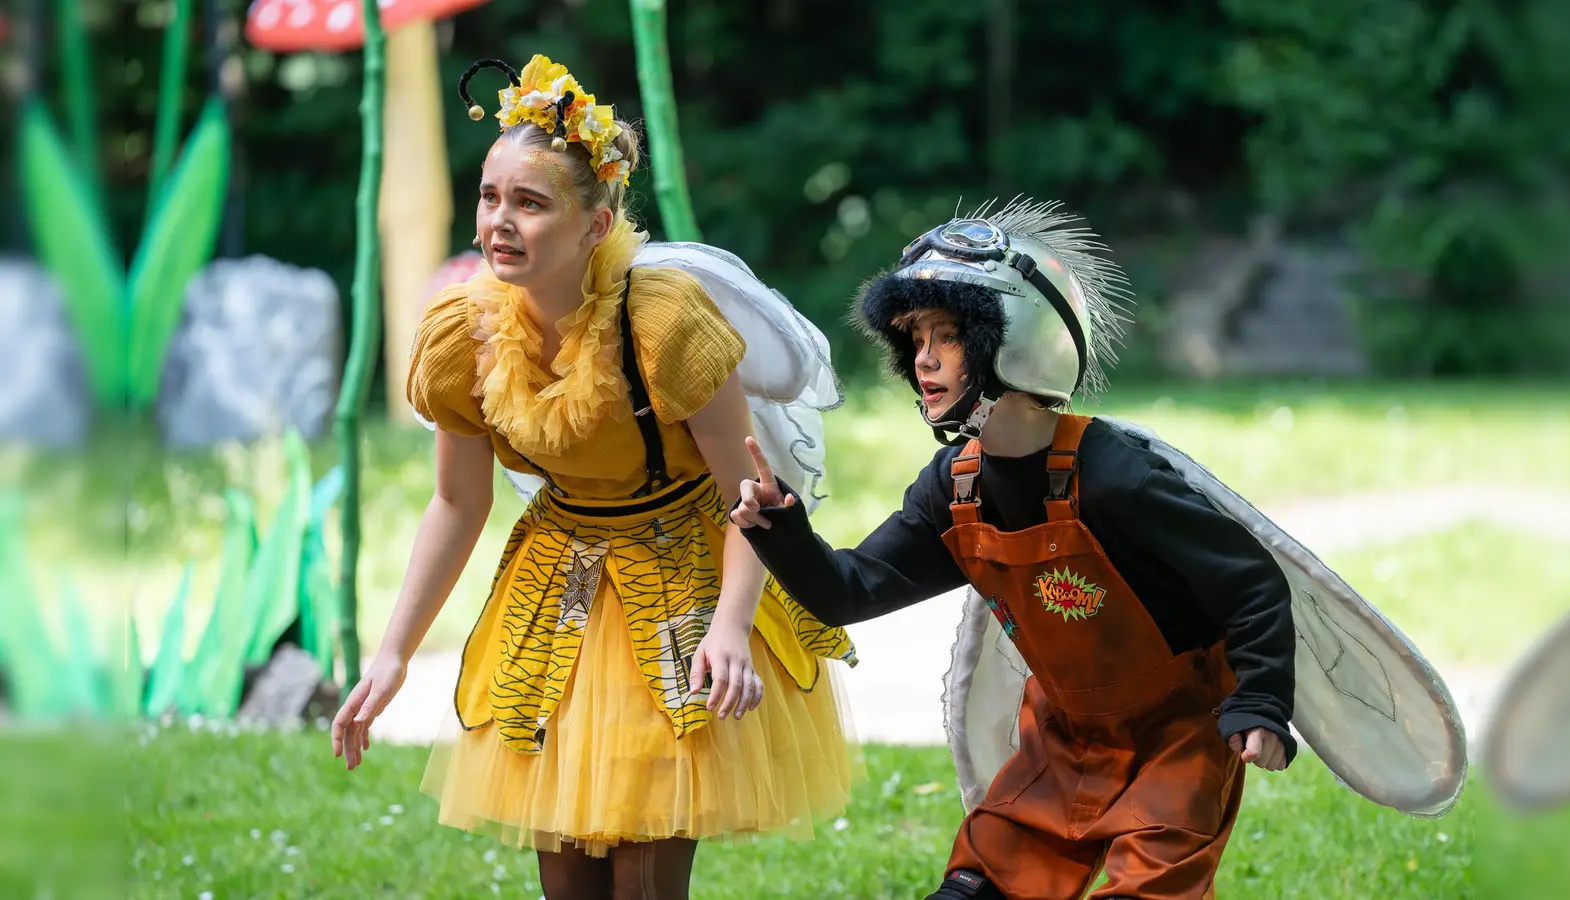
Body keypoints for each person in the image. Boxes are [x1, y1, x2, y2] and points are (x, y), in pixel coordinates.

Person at [330, 53, 858, 900]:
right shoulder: (461, 337)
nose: (499, 222)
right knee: (569, 874)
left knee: (645, 869)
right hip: (561, 579)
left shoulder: (663, 324)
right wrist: (391, 654)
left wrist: (730, 627)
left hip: (685, 575)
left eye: (530, 203)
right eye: (490, 197)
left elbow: (750, 499)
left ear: (595, 225)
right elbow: (457, 502)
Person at [732, 199, 1296, 900]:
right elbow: (850, 589)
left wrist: (1263, 704)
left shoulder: (1118, 477)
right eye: (914, 340)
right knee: (977, 885)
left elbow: (1250, 583)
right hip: (1062, 737)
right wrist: (780, 527)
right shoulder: (954, 488)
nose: (925, 358)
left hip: (1178, 736)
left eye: (948, 335)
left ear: (1016, 340)